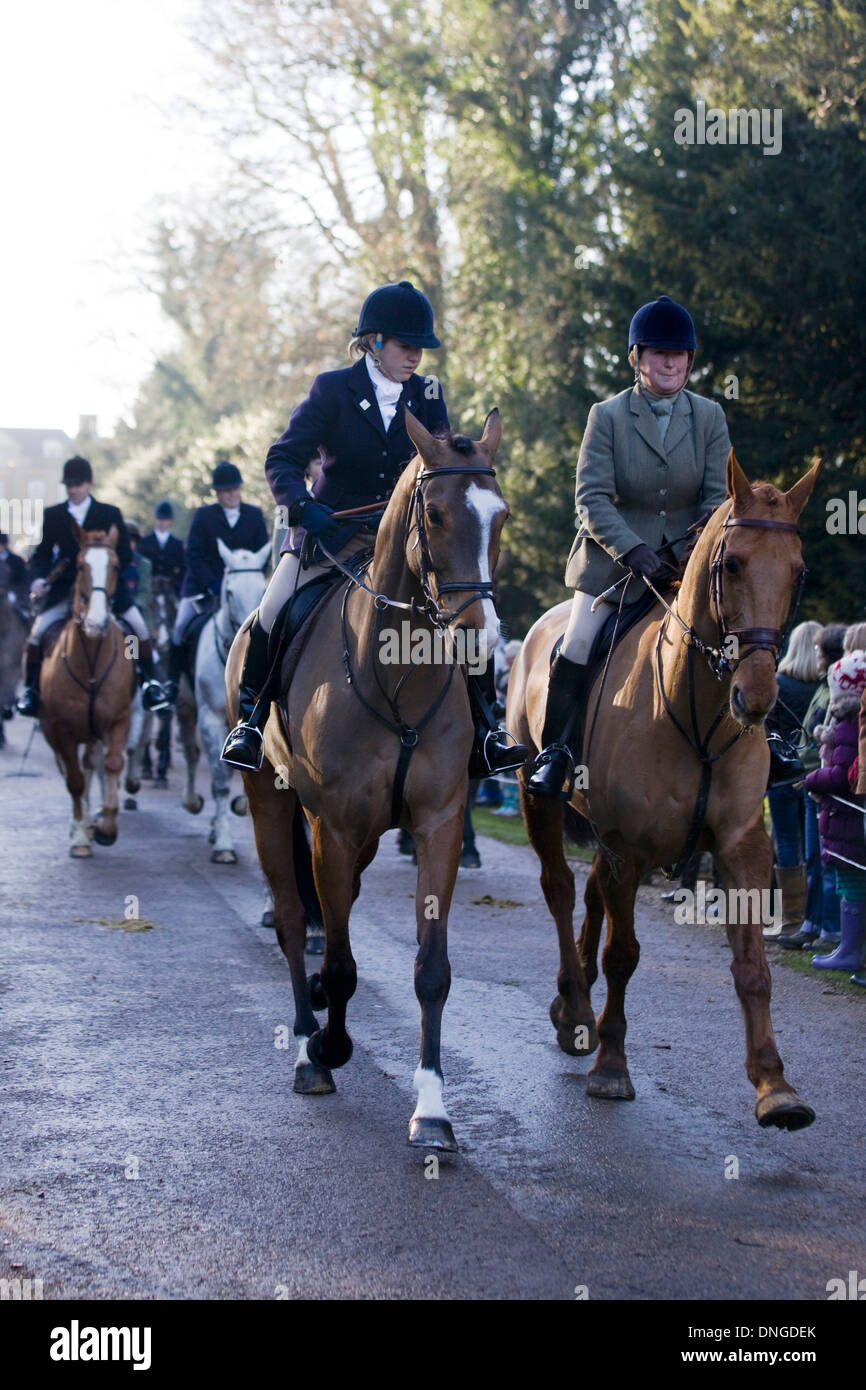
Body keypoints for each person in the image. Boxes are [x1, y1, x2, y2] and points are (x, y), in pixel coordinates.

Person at [220, 279, 527, 776]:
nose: (416, 359)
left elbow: (439, 463)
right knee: (273, 608)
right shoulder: (333, 389)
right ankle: (251, 721)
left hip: (403, 541)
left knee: (471, 611)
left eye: (421, 349)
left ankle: (487, 727)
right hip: (331, 536)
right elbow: (283, 457)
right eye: (407, 347)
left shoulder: (428, 393)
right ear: (375, 341)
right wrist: (301, 504)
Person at [526, 294, 731, 798]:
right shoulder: (608, 415)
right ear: (637, 357)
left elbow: (718, 498)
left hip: (688, 563)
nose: (670, 362)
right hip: (613, 567)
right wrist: (633, 549)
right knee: (576, 643)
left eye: (679, 355)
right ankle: (556, 755)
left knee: (735, 637)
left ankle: (768, 741)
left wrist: (685, 552)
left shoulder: (708, 417)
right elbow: (591, 497)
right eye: (659, 353)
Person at [16, 456, 168, 715]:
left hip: (107, 590)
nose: (73, 489)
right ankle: (31, 690)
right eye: (69, 485)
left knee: (136, 630)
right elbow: (41, 554)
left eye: (78, 484)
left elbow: (125, 553)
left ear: (90, 484)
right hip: (66, 590)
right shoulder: (53, 515)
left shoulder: (109, 513)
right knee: (38, 634)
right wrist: (40, 579)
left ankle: (147, 681)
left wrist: (105, 563)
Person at [164, 463, 268, 701]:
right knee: (180, 627)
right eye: (225, 491)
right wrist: (213, 583)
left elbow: (262, 556)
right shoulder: (203, 516)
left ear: (240, 489)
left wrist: (249, 581)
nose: (231, 494)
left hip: (244, 589)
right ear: (218, 493)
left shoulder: (254, 515)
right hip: (203, 587)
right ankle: (171, 685)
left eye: (234, 489)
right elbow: (194, 554)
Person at [780, 623, 846, 949]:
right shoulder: (822, 685)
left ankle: (826, 928)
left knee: (823, 859)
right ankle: (811, 922)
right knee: (812, 857)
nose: (816, 654)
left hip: (821, 783)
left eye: (821, 650)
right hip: (810, 781)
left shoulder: (834, 688)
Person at [803, 651, 866, 973]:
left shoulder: (847, 726)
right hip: (847, 819)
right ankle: (849, 947)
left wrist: (811, 778)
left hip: (848, 819)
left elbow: (842, 774)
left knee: (852, 883)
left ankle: (850, 950)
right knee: (847, 883)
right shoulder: (852, 723)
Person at [762, 620, 821, 937]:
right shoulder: (824, 686)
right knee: (814, 849)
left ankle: (791, 917)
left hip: (784, 773)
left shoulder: (779, 683)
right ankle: (812, 917)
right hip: (815, 773)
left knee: (786, 841)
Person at [139, 501, 185, 594]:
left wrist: (173, 583)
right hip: (149, 589)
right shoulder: (144, 542)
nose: (162, 522)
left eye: (165, 519)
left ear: (171, 521)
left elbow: (183, 569)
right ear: (155, 520)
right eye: (160, 519)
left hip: (171, 590)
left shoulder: (178, 544)